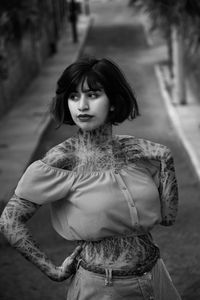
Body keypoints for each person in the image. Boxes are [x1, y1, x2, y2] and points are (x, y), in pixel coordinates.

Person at [0, 56, 181, 299]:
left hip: (157, 279)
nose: (81, 106)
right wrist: (52, 270)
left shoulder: (139, 152)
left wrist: (166, 161)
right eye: (74, 97)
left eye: (93, 95)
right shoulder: (62, 159)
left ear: (114, 102)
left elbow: (168, 218)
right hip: (101, 288)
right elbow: (9, 221)